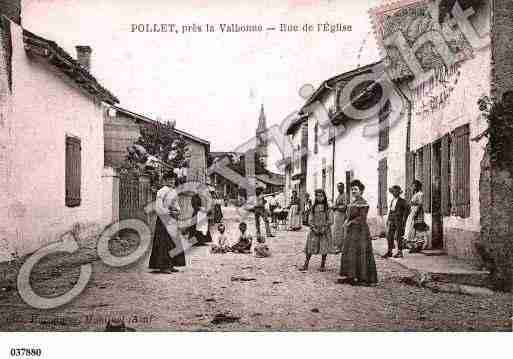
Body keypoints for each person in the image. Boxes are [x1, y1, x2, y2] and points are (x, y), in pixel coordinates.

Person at [337, 180, 378, 286]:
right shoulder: (353, 202)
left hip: (360, 232)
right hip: (351, 232)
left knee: (360, 252)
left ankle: (363, 277)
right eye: (352, 189)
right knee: (350, 252)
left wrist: (350, 222)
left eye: (356, 189)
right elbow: (349, 215)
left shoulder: (363, 203)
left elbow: (361, 218)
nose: (353, 191)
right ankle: (351, 275)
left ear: (361, 191)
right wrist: (346, 221)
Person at [149, 172, 186, 273]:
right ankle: (163, 266)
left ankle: (171, 264)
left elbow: (176, 205)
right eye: (169, 180)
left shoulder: (173, 191)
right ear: (165, 181)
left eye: (173, 179)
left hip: (172, 219)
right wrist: (169, 212)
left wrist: (177, 211)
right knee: (163, 242)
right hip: (163, 219)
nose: (171, 181)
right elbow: (158, 207)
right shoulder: (161, 191)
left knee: (172, 242)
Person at [301, 189, 334, 272]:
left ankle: (322, 264)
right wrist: (313, 227)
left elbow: (330, 220)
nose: (319, 198)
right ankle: (306, 263)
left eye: (321, 196)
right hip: (314, 230)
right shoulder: (313, 207)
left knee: (324, 247)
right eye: (317, 196)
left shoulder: (327, 208)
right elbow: (310, 219)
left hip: (324, 230)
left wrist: (324, 228)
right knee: (310, 246)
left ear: (324, 197)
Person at [382, 185, 409, 259]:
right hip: (391, 219)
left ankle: (400, 252)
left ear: (398, 193)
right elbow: (390, 210)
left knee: (398, 236)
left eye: (396, 191)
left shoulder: (402, 201)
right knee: (389, 235)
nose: (394, 193)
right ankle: (389, 251)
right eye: (393, 191)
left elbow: (407, 210)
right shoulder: (392, 200)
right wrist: (388, 220)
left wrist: (404, 218)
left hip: (399, 220)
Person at [404, 180, 429, 253]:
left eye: (414, 186)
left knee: (418, 229)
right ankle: (414, 245)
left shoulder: (420, 194)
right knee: (411, 229)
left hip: (417, 213)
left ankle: (418, 246)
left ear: (417, 186)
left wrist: (415, 213)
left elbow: (420, 204)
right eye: (412, 186)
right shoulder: (416, 194)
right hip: (413, 212)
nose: (413, 187)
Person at [331, 183, 348, 253]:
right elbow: (336, 204)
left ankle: (340, 247)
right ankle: (336, 246)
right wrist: (333, 206)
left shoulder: (345, 196)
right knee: (336, 230)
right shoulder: (338, 195)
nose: (339, 189)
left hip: (341, 215)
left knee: (340, 231)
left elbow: (344, 206)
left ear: (343, 188)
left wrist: (336, 207)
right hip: (337, 215)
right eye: (338, 187)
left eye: (340, 187)